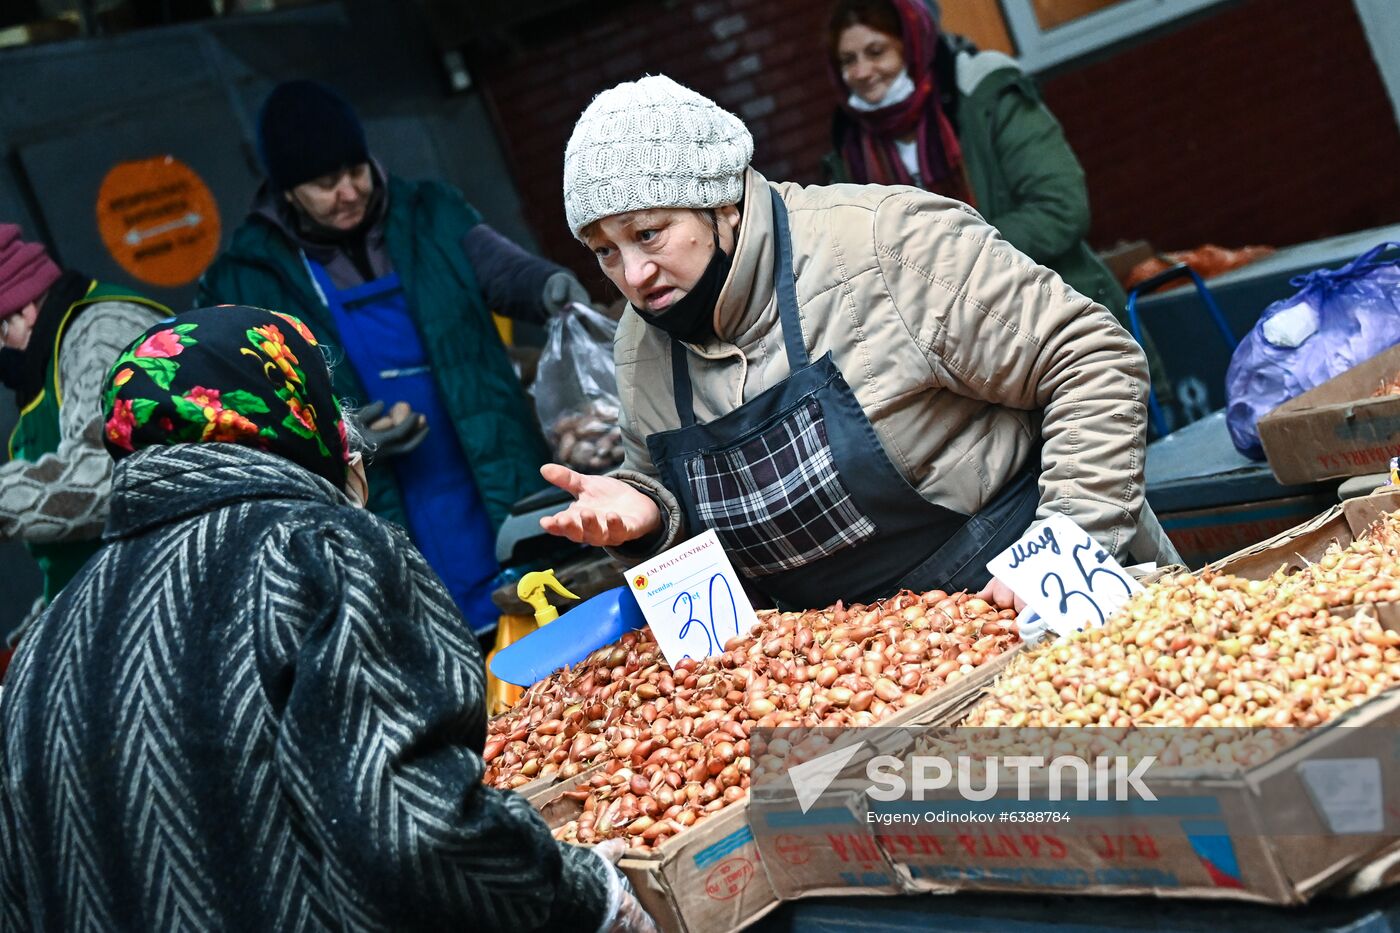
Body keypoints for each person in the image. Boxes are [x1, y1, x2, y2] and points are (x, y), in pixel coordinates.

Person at [0, 305, 656, 933]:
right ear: (292, 411)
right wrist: (583, 894)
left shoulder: (44, 644)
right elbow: (417, 829)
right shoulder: (318, 551)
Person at [540, 75, 1180, 612]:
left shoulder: (883, 244)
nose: (633, 276)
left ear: (723, 205)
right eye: (604, 252)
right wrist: (649, 519)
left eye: (648, 234)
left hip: (1023, 601)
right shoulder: (639, 348)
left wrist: (1063, 544)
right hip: (858, 679)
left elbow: (1091, 357)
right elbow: (697, 563)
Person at [197, 79, 590, 633]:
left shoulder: (430, 213)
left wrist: (547, 287)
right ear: (287, 192)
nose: (349, 192)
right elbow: (246, 409)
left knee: (543, 619)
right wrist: (341, 435)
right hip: (379, 502)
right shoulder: (246, 276)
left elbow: (504, 270)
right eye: (325, 183)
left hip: (492, 468)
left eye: (356, 170)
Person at [821, 0, 1127, 319]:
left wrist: (949, 256)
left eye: (876, 52)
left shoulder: (987, 96)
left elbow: (1061, 209)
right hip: (957, 336)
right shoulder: (849, 148)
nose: (861, 72)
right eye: (848, 60)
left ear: (911, 46)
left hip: (1058, 314)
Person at [0, 222, 166, 658]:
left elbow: (105, 480)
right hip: (118, 611)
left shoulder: (102, 334)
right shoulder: (47, 364)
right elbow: (83, 556)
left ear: (25, 308)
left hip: (163, 610)